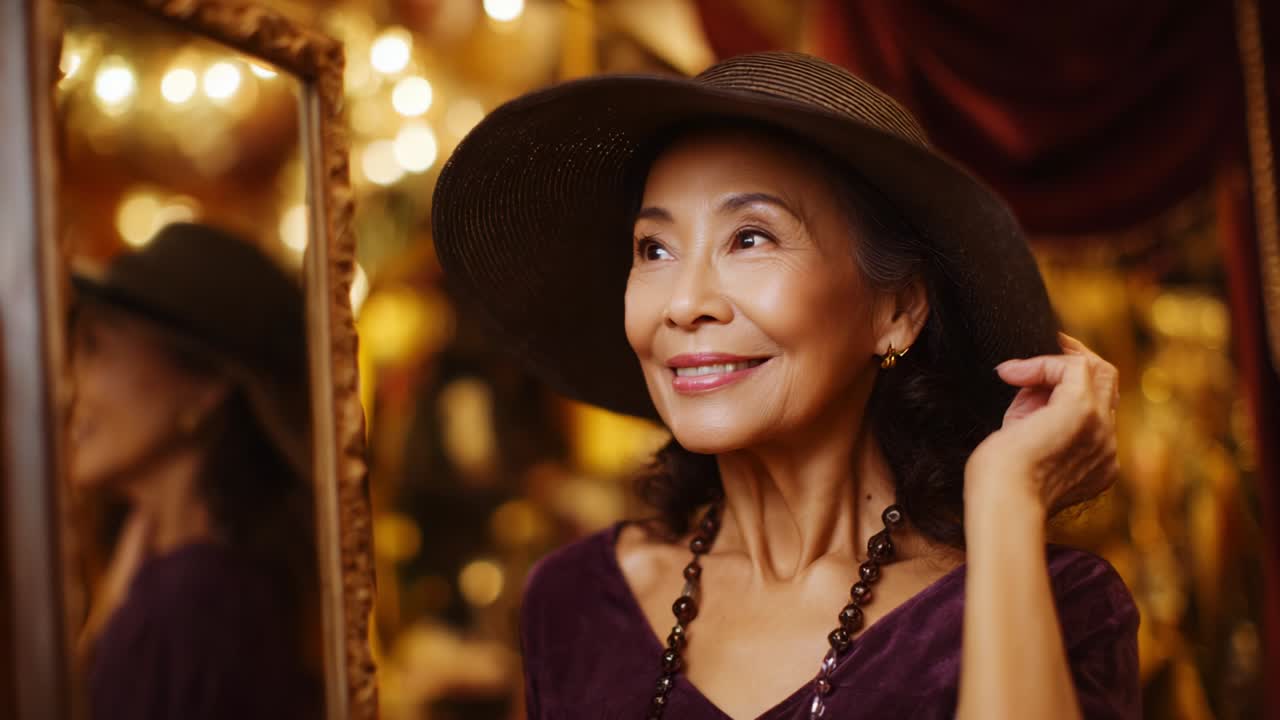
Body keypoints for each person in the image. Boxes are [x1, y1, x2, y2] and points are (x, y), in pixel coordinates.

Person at [430, 52, 1139, 719]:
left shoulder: (1054, 605)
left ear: (897, 310)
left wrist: (1006, 501)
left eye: (751, 238)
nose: (683, 302)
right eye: (655, 249)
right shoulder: (576, 602)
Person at [69, 222, 322, 719]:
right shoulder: (189, 584)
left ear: (204, 390)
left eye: (94, 348)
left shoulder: (193, 602)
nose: (67, 387)